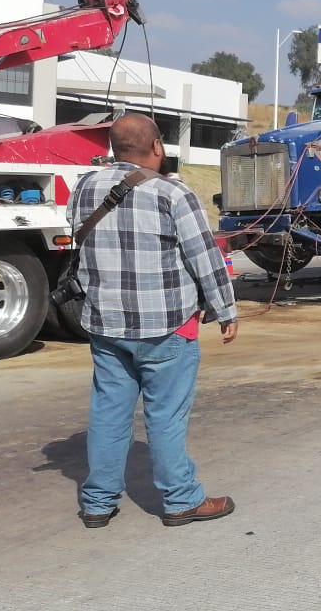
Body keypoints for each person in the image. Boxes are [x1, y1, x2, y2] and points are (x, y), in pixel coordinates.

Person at [68, 114, 239, 529]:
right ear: (157, 146)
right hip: (166, 327)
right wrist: (225, 310)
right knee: (165, 416)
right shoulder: (172, 193)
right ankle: (181, 500)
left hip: (106, 325)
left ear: (113, 148)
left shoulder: (86, 187)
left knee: (109, 412)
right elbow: (204, 256)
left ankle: (97, 503)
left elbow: (78, 244)